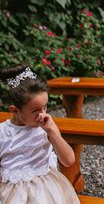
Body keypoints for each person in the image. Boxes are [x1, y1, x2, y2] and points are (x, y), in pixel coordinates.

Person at [0, 64, 79, 204]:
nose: (42, 114)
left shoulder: (47, 127)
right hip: (12, 194)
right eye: (36, 110)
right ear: (15, 110)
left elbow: (68, 160)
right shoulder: (3, 132)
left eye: (46, 106)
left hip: (47, 190)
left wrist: (53, 133)